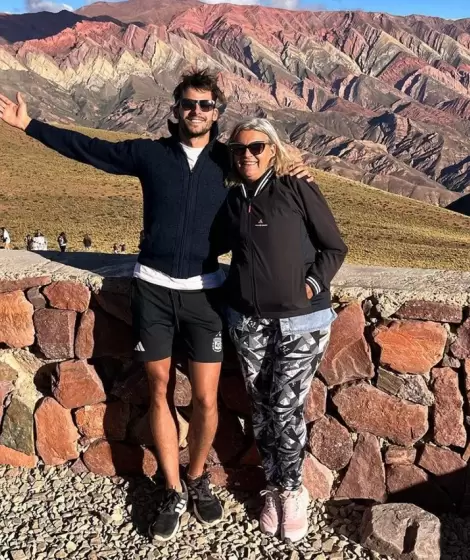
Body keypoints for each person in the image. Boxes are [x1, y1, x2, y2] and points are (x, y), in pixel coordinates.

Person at [0, 74, 313, 542]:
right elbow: (90, 149)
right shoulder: (151, 155)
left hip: (206, 293)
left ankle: (198, 475)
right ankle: (171, 488)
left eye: (206, 105)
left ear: (217, 111)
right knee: (159, 388)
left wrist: (297, 169)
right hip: (152, 290)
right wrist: (31, 127)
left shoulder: (227, 161)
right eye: (189, 104)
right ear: (176, 108)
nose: (197, 111)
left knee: (206, 398)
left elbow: (264, 165)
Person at [210, 118, 348, 543]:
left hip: (300, 321)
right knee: (263, 408)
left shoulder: (296, 187)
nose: (247, 155)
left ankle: (292, 491)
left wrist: (309, 285)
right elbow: (210, 243)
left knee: (285, 408)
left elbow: (334, 246)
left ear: (273, 150)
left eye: (257, 147)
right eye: (240, 149)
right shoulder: (234, 200)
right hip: (248, 322)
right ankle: (275, 485)